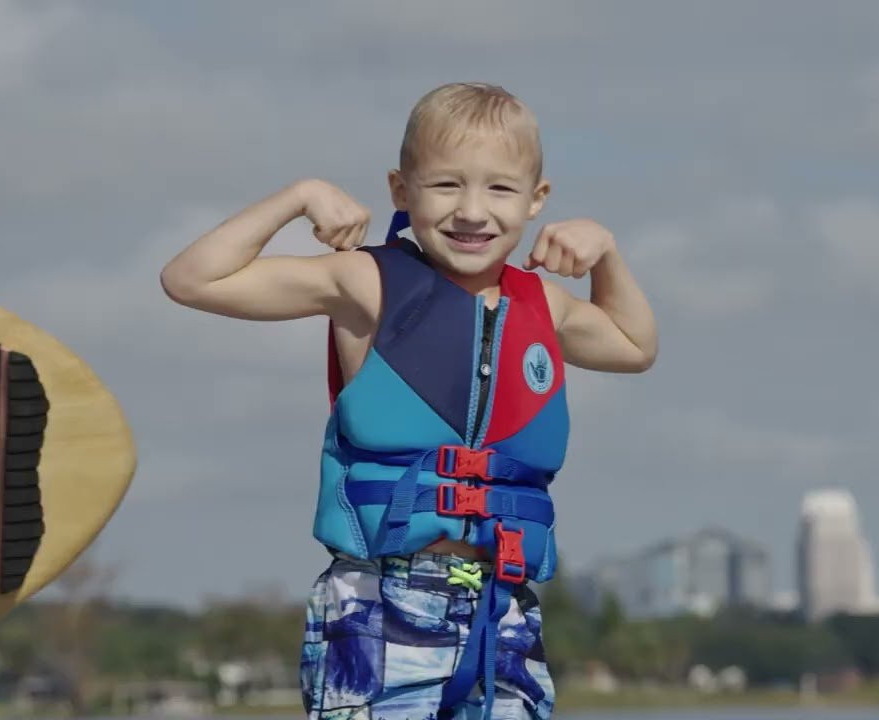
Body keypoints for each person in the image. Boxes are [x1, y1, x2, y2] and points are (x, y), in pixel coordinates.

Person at [161, 82, 657, 720]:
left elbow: (634, 346)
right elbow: (191, 279)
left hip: (501, 609)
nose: (472, 211)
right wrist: (299, 197)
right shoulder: (365, 283)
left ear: (536, 200)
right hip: (381, 605)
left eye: (500, 189)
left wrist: (607, 254)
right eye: (446, 185)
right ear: (401, 190)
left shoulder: (544, 305)